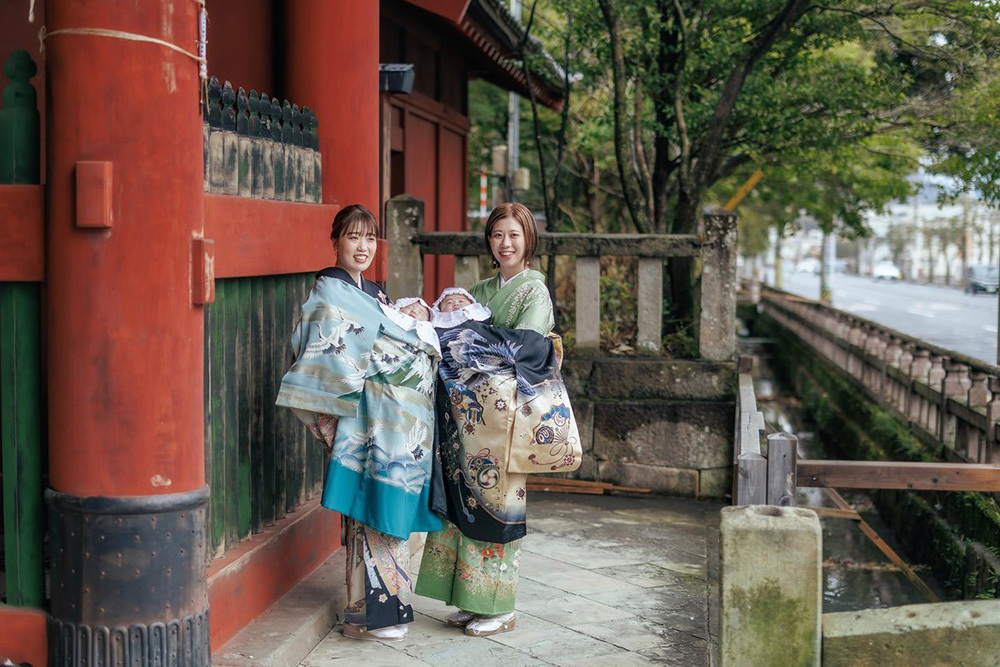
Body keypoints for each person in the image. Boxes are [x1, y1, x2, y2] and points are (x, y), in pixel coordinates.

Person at [276, 204, 441, 642]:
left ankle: (360, 611)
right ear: (336, 242)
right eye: (353, 237)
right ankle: (378, 614)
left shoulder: (376, 293)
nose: (363, 246)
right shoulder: (328, 293)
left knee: (377, 509)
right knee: (372, 509)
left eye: (370, 238)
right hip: (366, 419)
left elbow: (398, 337)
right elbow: (320, 348)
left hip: (392, 422)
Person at [416, 202, 577, 637]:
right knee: (464, 503)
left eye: (514, 235)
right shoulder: (480, 290)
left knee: (499, 504)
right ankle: (471, 600)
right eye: (497, 235)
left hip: (505, 417)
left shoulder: (533, 293)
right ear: (488, 241)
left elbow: (524, 349)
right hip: (468, 417)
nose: (505, 243)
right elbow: (452, 330)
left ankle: (500, 607)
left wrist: (465, 335)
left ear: (529, 241)